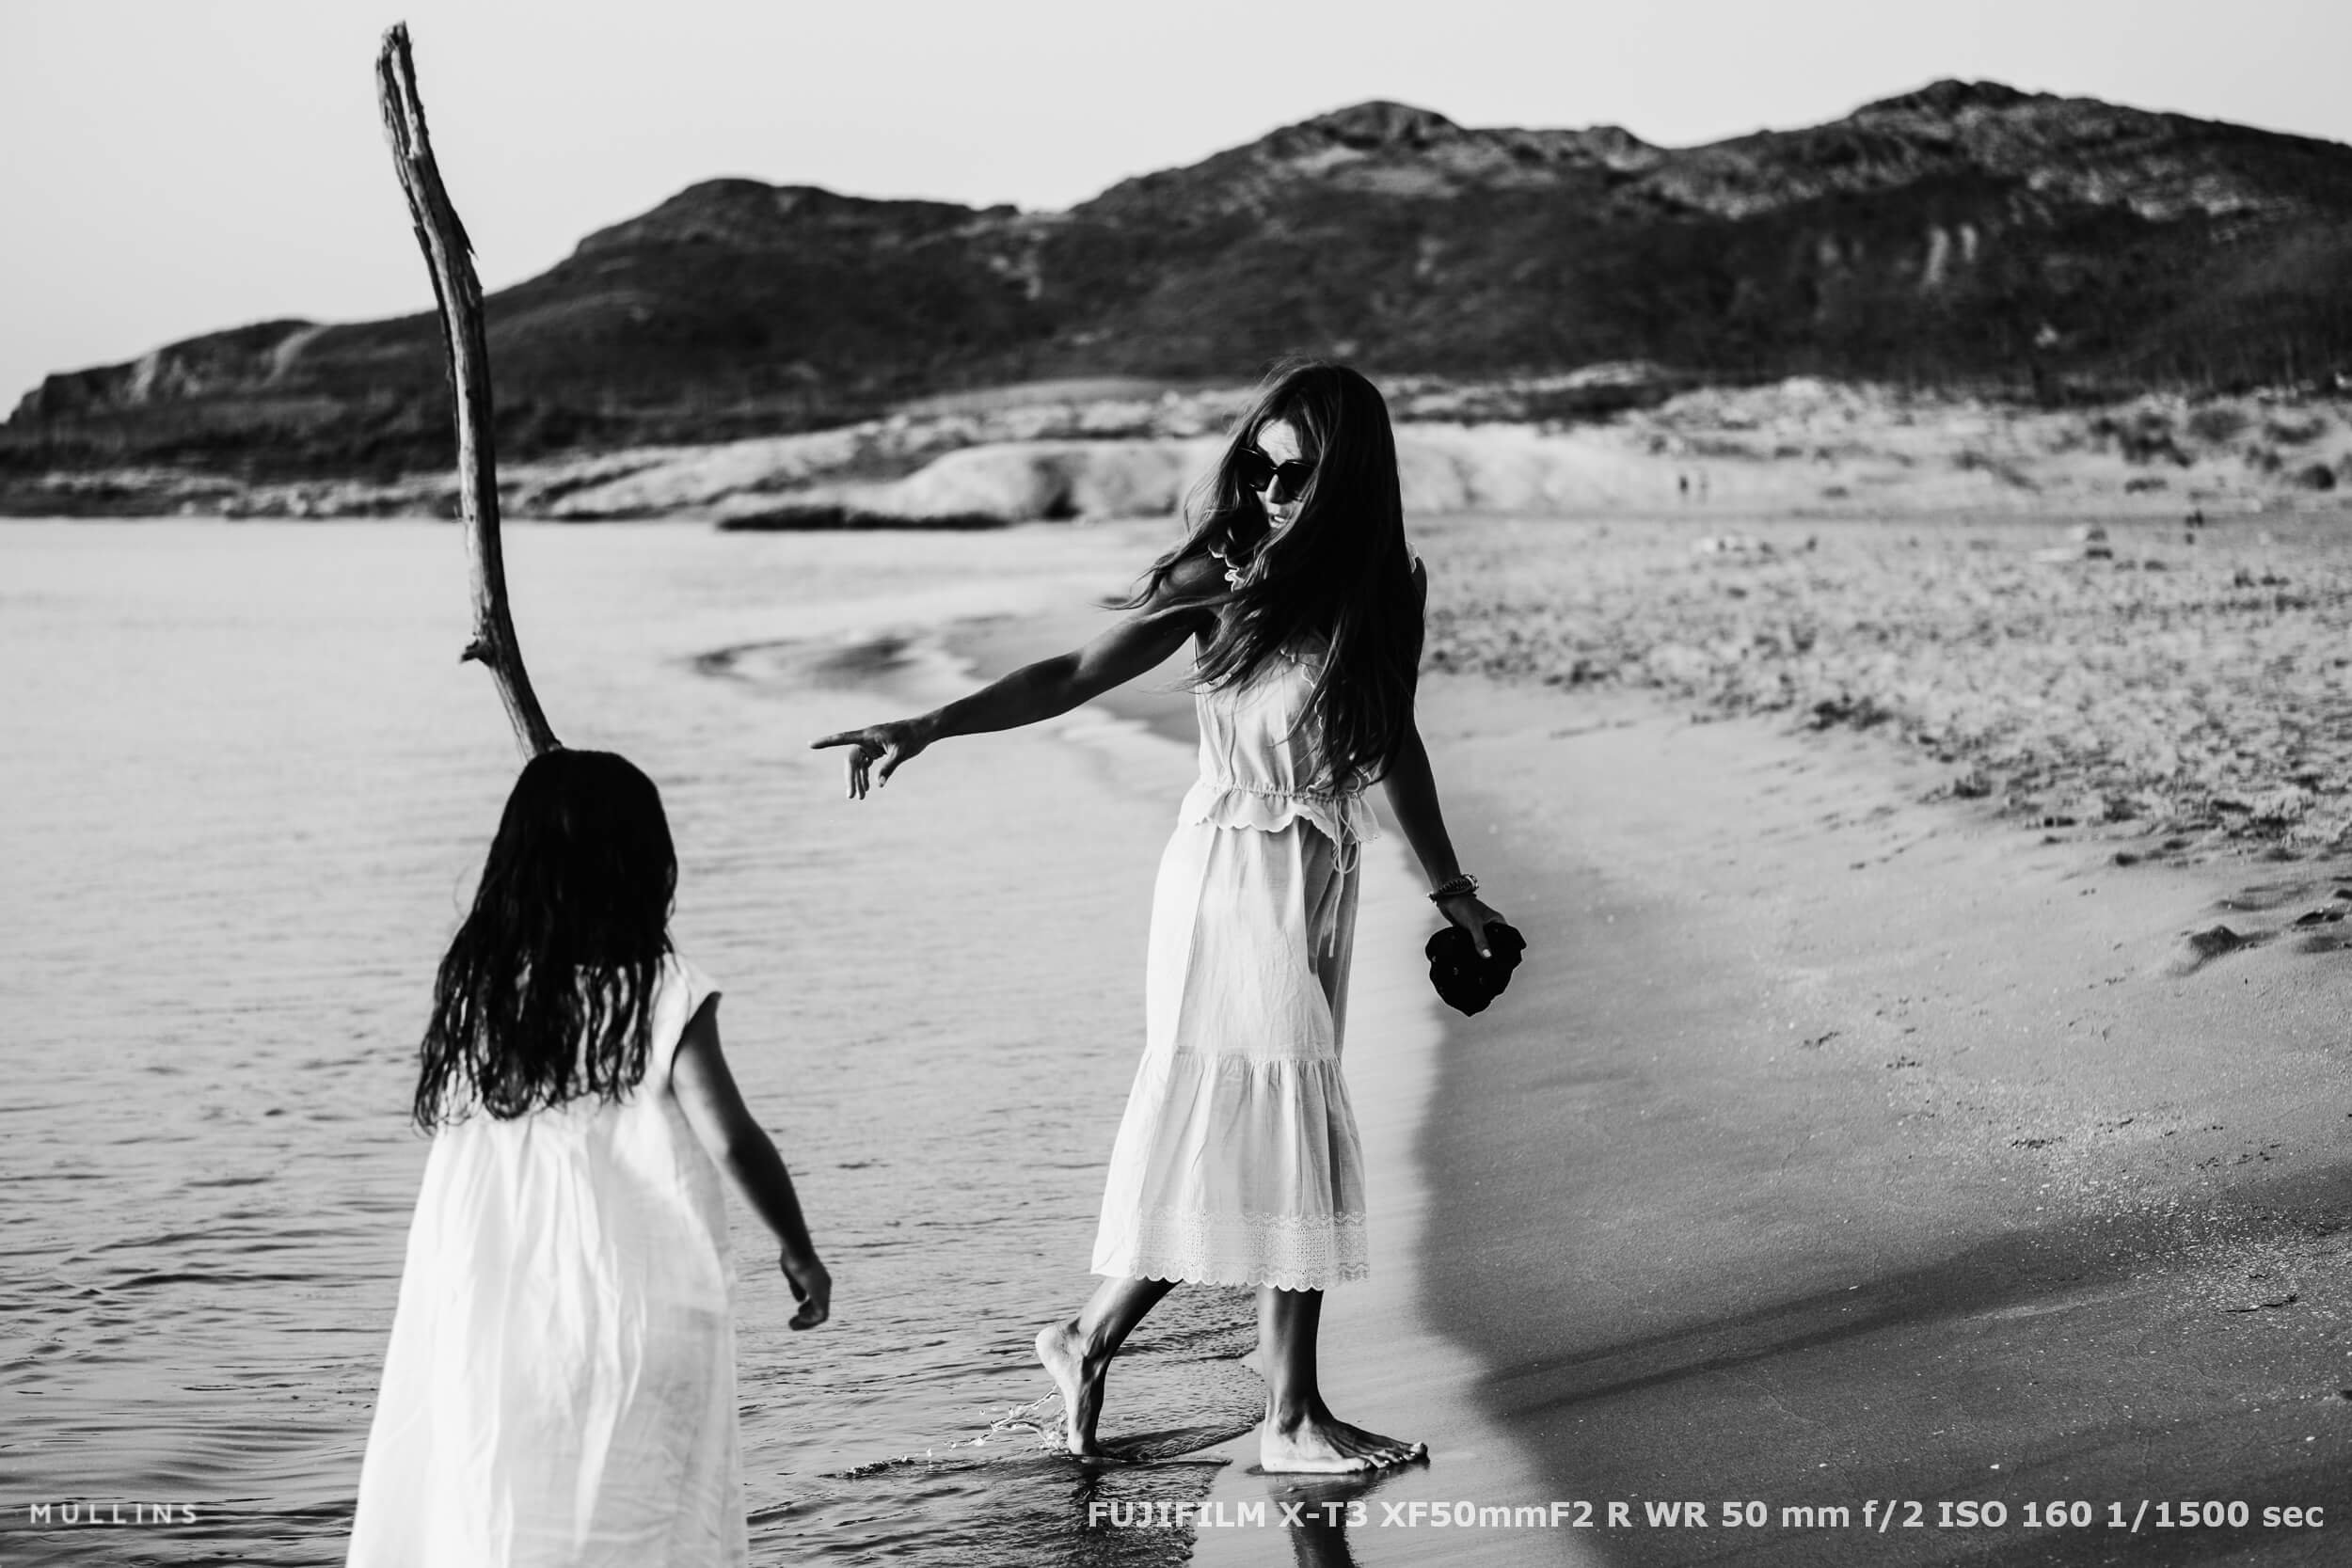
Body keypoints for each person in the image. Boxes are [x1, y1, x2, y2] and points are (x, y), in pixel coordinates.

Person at [814, 361, 1506, 1474]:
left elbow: (1393, 739)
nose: (1273, 489)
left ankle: (1132, 1350)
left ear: (1350, 475)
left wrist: (1451, 884)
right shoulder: (1223, 571)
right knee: (1270, 1109)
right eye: (1259, 465)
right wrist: (929, 722)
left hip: (1316, 864)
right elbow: (1071, 674)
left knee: (1285, 1115)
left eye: (1298, 471)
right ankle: (1268, 1409)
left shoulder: (1388, 585)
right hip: (1231, 870)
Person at [348, 749, 831, 1566]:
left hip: (497, 1322)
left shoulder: (477, 995)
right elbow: (732, 1137)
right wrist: (799, 1248)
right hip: (645, 1313)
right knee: (646, 1525)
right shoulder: (664, 988)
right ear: (646, 864)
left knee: (496, 1518)